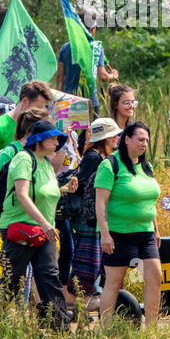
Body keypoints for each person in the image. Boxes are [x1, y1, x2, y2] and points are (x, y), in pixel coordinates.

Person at [0, 118, 73, 327]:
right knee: (12, 280)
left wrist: (64, 190)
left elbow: (43, 193)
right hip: (20, 229)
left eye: (58, 139)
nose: (56, 142)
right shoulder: (23, 159)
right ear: (38, 140)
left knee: (50, 277)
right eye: (52, 138)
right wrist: (46, 224)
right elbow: (22, 195)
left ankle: (60, 329)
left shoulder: (45, 163)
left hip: (43, 230)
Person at [97, 121, 162, 328]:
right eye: (140, 139)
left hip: (145, 233)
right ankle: (105, 329)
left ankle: (151, 330)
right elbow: (100, 203)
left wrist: (157, 228)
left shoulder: (146, 166)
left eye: (147, 141)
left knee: (155, 277)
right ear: (126, 139)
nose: (144, 144)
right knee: (114, 282)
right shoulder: (110, 165)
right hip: (119, 233)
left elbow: (150, 201)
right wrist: (105, 234)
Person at [66, 117, 122, 301]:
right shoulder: (94, 158)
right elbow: (83, 186)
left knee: (94, 263)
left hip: (94, 218)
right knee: (87, 265)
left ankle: (89, 301)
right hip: (89, 219)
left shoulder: (99, 156)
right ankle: (80, 304)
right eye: (115, 135)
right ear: (107, 138)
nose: (117, 139)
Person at [55, 7, 118, 108]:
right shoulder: (96, 48)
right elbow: (103, 76)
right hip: (89, 102)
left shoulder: (65, 48)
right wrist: (113, 75)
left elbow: (59, 77)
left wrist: (58, 99)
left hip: (67, 101)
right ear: (93, 30)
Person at [0, 80, 52, 152]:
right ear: (25, 101)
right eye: (38, 108)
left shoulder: (36, 128)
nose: (41, 112)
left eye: (43, 109)